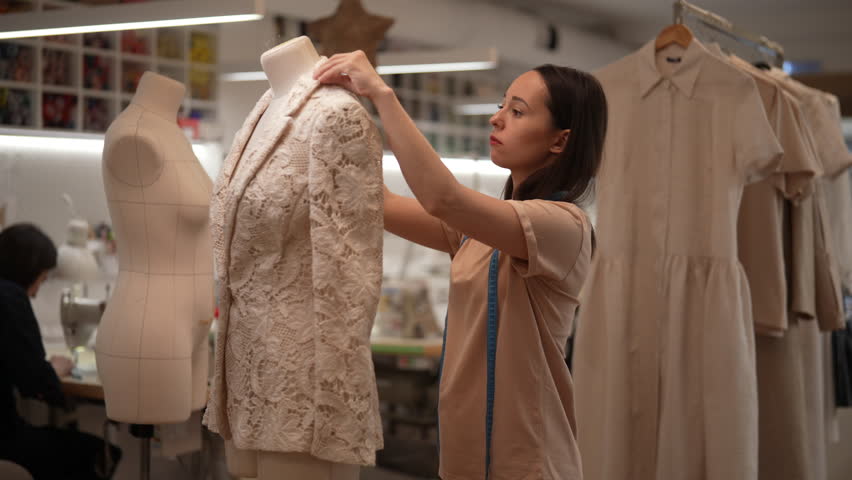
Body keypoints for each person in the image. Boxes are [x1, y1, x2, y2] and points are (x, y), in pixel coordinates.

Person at [315, 53, 606, 479]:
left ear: (560, 141)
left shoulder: (563, 225)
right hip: (464, 453)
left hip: (527, 458)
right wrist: (326, 122)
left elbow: (444, 198)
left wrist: (382, 94)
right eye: (501, 105)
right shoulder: (476, 232)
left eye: (517, 111)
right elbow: (380, 202)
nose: (497, 119)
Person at [0, 223, 120, 480]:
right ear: (30, 272)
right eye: (42, 280)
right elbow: (38, 385)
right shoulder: (10, 298)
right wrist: (54, 369)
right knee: (102, 452)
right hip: (5, 441)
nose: (35, 294)